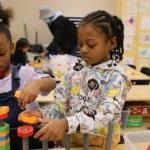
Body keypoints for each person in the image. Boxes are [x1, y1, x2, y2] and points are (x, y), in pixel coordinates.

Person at [20, 10, 131, 148]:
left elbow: (105, 114)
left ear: (112, 43)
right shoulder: (76, 69)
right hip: (72, 141)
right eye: (80, 44)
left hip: (102, 144)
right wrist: (41, 113)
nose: (83, 49)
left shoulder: (117, 77)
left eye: (91, 45)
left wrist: (67, 123)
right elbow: (61, 104)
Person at [0, 4, 56, 149]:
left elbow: (51, 83)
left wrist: (36, 84)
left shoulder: (23, 74)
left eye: (1, 54)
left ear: (12, 48)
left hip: (30, 144)